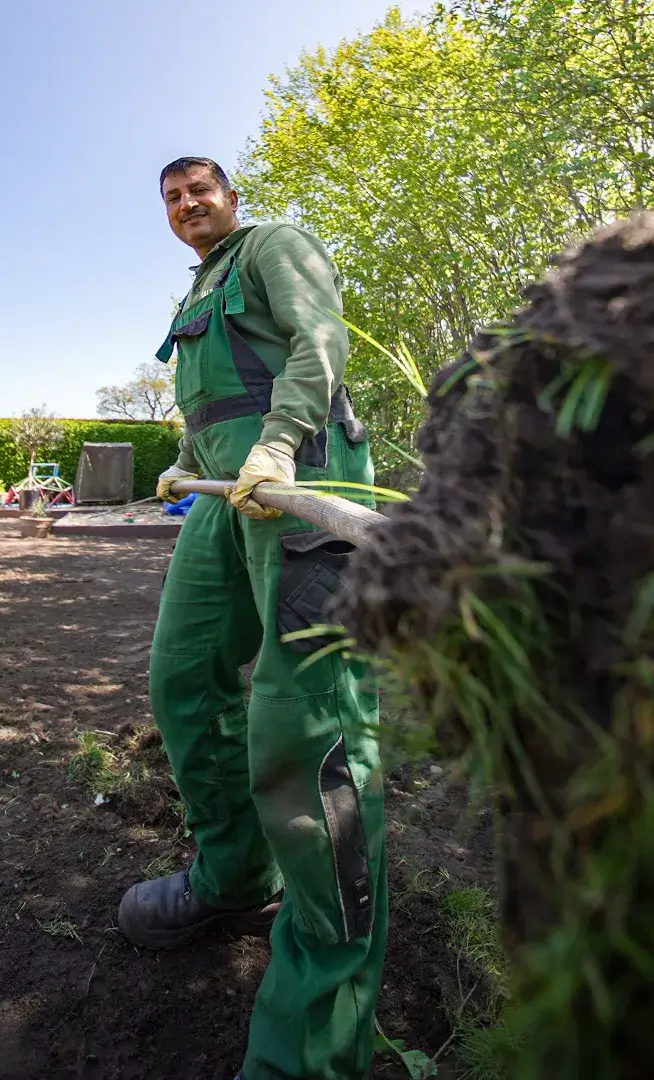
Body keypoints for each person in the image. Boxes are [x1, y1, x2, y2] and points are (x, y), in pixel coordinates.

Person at [116, 156, 386, 1080]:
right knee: (183, 677)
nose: (186, 204)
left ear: (231, 197)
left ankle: (320, 1024)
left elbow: (317, 340)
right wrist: (186, 452)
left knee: (305, 715)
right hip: (226, 492)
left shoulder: (275, 244)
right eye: (170, 198)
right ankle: (233, 877)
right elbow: (218, 392)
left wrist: (274, 447)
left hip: (301, 473)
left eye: (199, 190)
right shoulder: (199, 291)